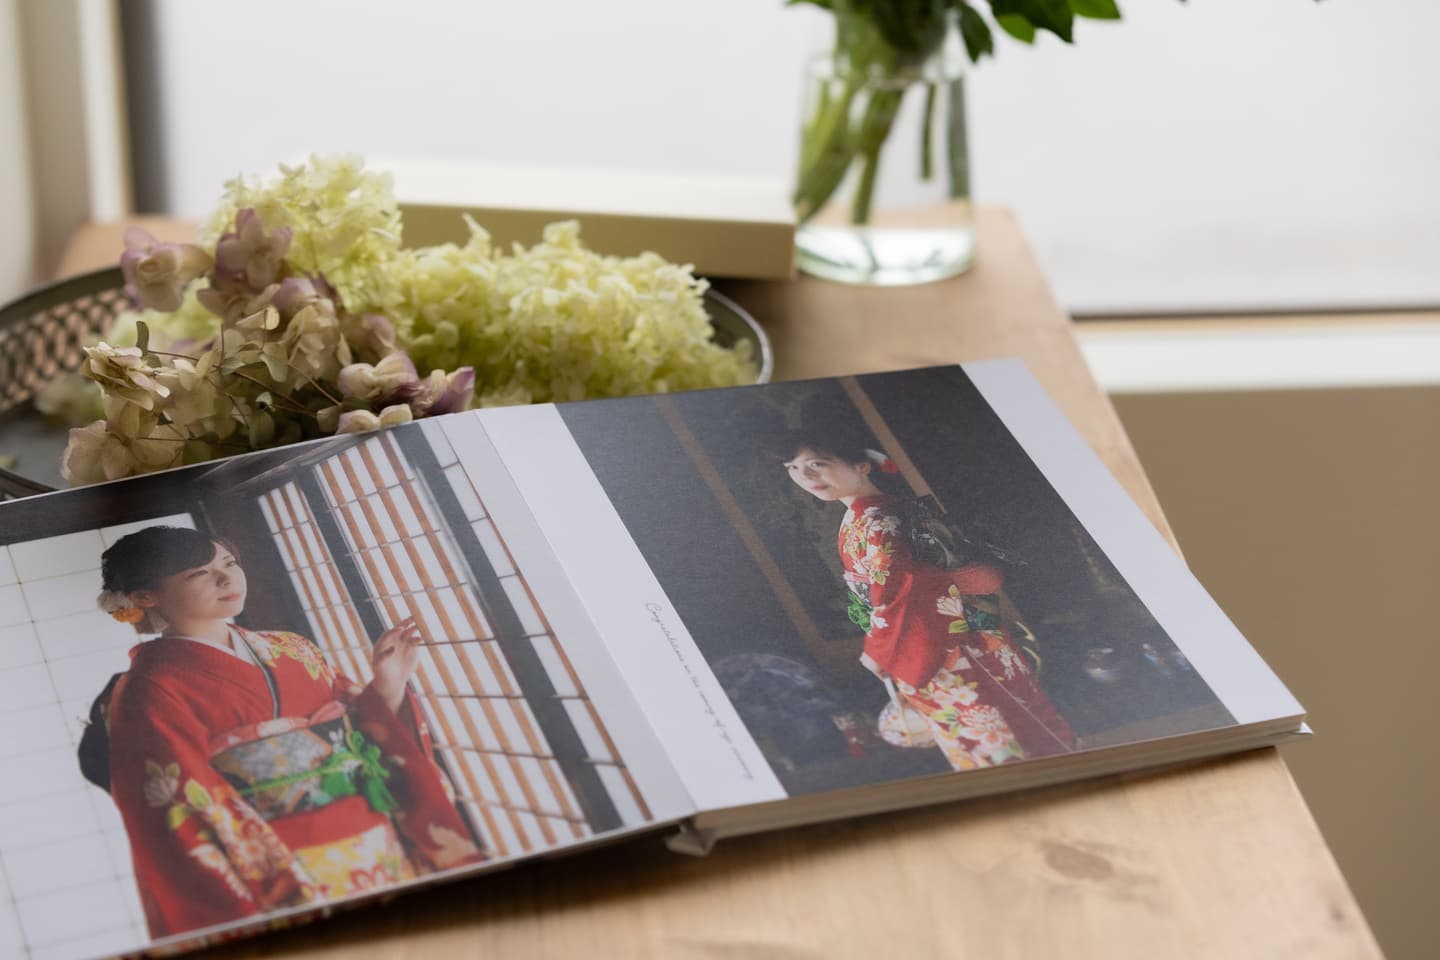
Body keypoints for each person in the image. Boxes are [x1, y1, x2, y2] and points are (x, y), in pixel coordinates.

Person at [85, 525, 484, 938]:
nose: (226, 578)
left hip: (378, 843)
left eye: (229, 563)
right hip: (281, 868)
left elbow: (364, 731)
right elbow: (176, 799)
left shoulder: (294, 649)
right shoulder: (150, 687)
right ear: (145, 597)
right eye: (198, 573)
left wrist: (388, 681)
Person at [779, 430, 1076, 771]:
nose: (805, 476)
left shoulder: (878, 521)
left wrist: (879, 650)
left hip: (948, 644)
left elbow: (900, 591)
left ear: (862, 466)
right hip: (939, 636)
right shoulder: (867, 516)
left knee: (991, 734)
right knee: (1006, 726)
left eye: (817, 464)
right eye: (793, 468)